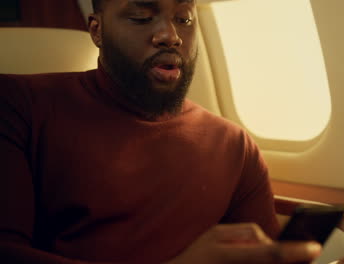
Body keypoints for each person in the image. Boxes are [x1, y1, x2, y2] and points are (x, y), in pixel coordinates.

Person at [0, 0, 322, 263]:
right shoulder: (20, 104)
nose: (171, 35)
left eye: (184, 18)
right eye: (141, 17)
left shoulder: (235, 146)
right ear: (97, 31)